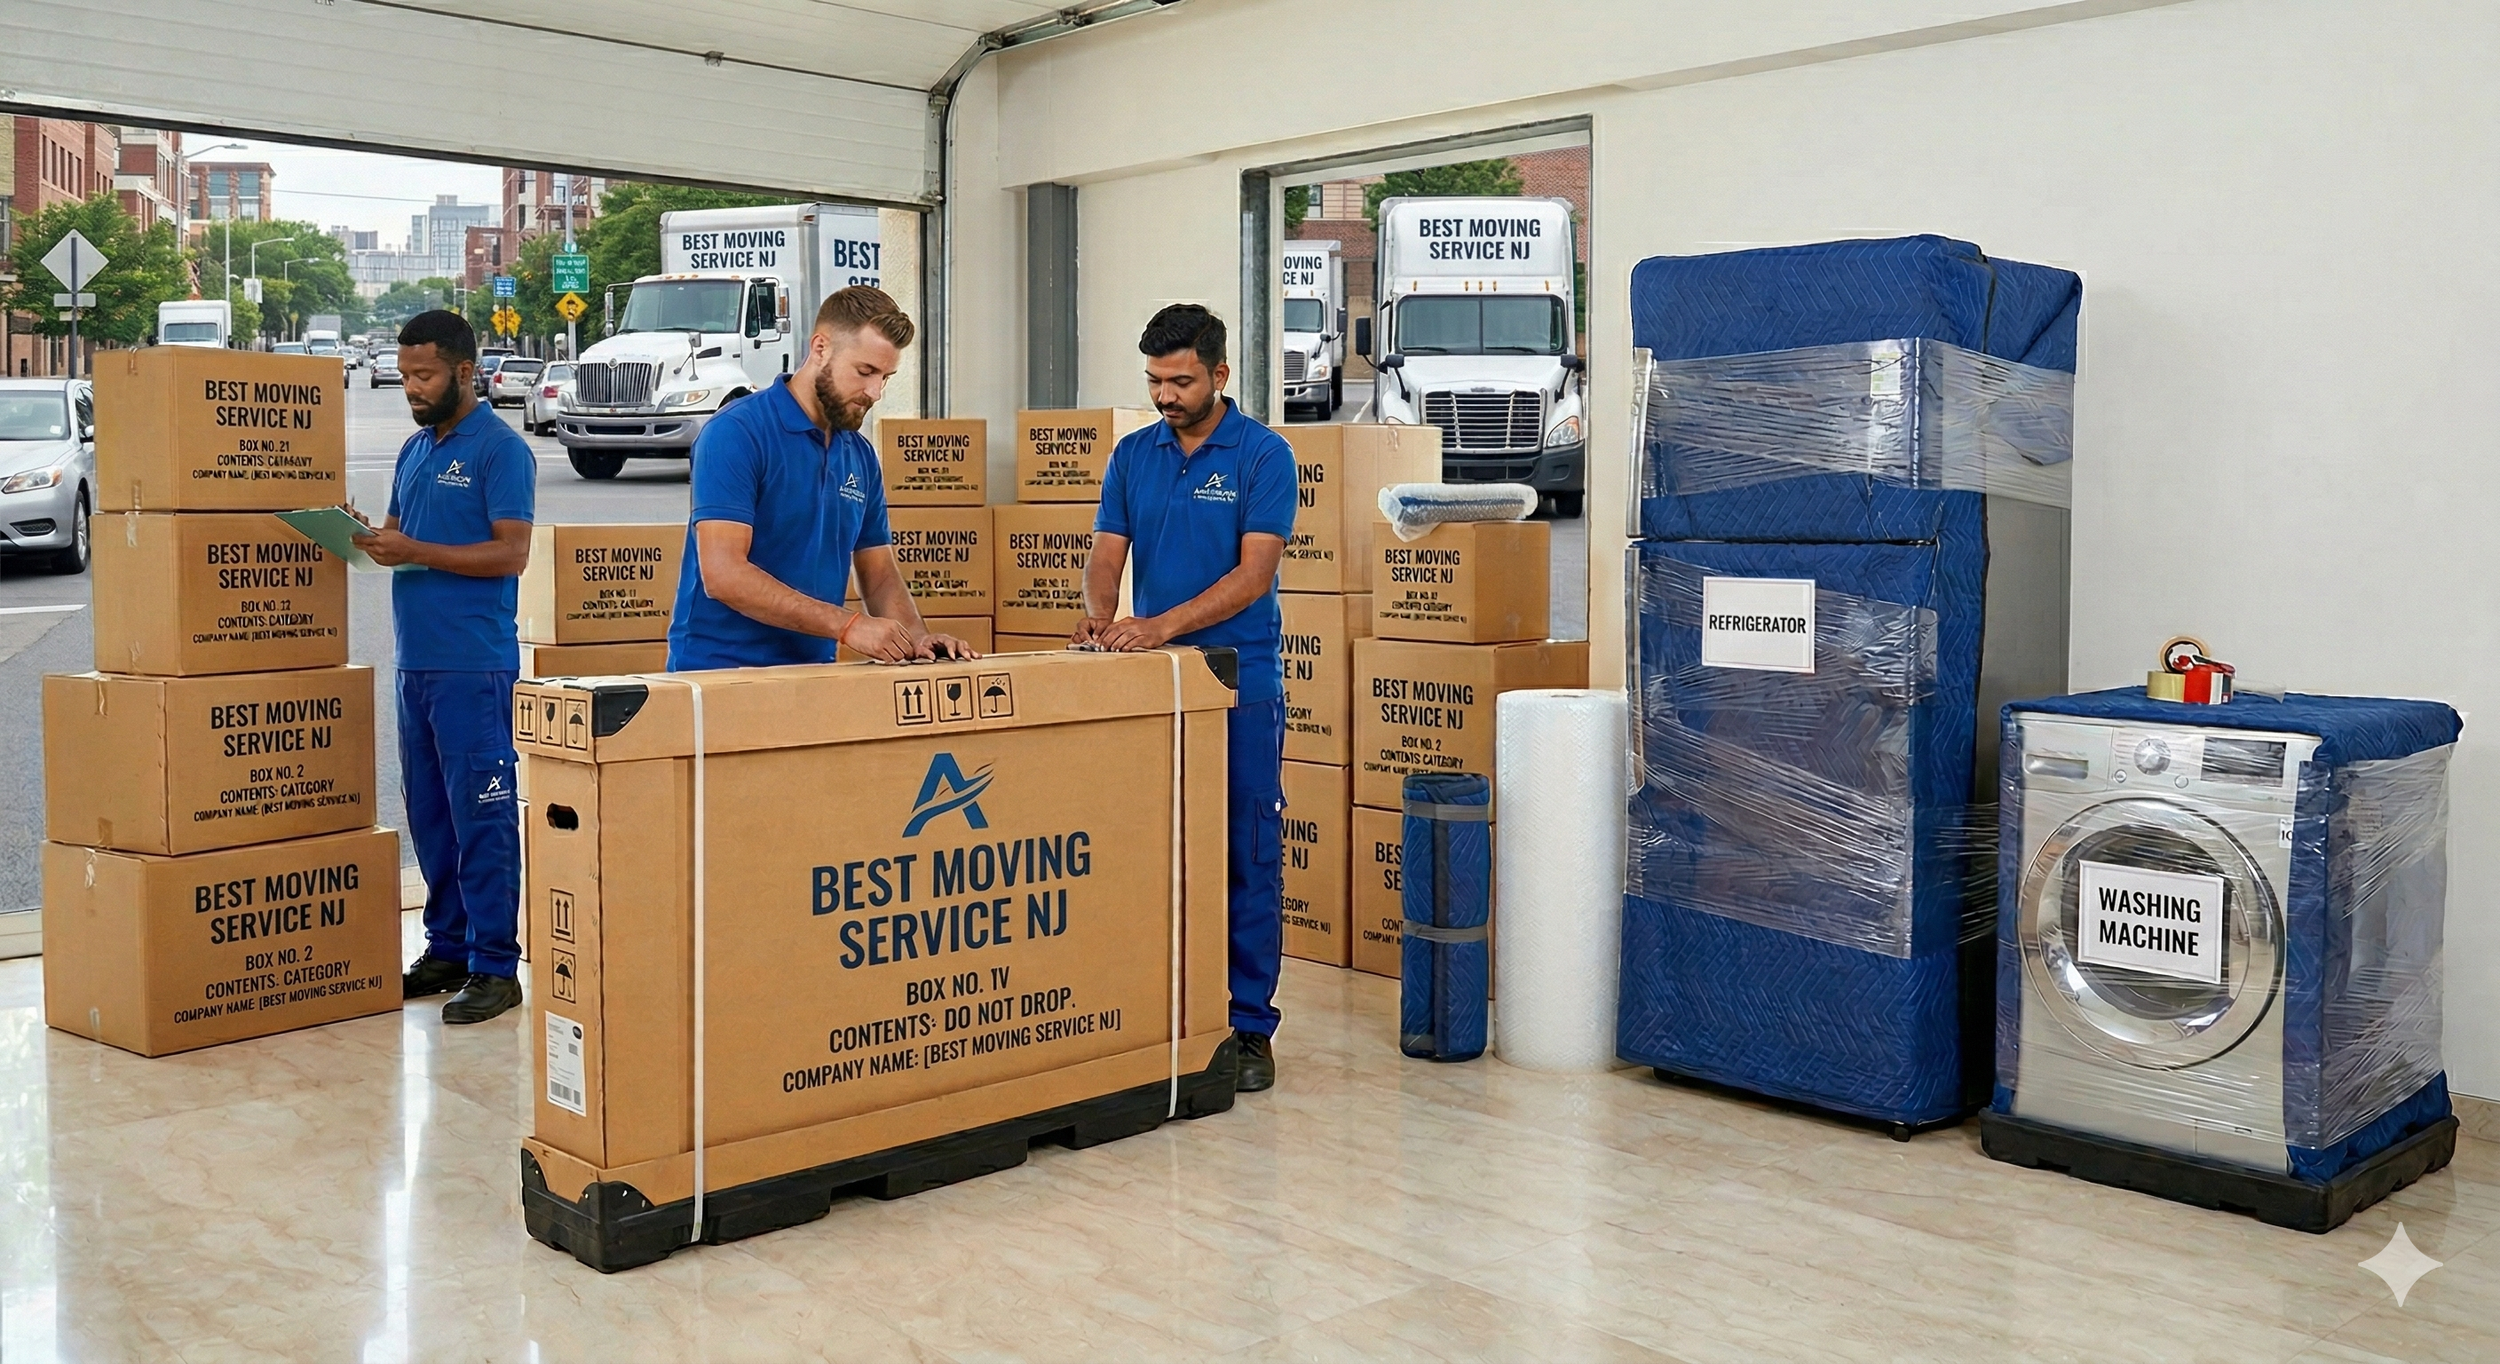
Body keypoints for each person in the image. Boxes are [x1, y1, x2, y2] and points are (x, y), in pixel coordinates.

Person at [1076, 304, 1296, 1093]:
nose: (1166, 396)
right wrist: (1101, 619)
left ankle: (1248, 1026)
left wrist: (1159, 625)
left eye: (1181, 381)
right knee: (1152, 848)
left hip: (1240, 685)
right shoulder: (1133, 454)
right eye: (1155, 382)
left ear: (1219, 375)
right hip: (1154, 684)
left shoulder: (1264, 456)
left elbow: (1253, 576)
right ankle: (1160, 1009)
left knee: (1245, 851)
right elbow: (1106, 552)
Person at [355, 310, 535, 1025]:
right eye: (404, 376)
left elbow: (511, 553)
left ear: (465, 372)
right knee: (430, 817)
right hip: (417, 665)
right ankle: (448, 949)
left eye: (423, 375)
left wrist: (418, 552)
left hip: (474, 666)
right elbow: (398, 536)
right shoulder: (413, 450)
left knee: (481, 818)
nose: (411, 388)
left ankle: (496, 966)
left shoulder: (502, 450)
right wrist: (364, 534)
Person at [667, 286, 976, 669]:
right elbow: (724, 574)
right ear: (820, 349)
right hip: (721, 673)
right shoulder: (737, 433)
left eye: (886, 377)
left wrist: (917, 640)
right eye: (865, 372)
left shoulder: (860, 456)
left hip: (815, 674)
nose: (875, 392)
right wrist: (848, 625)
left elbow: (878, 575)